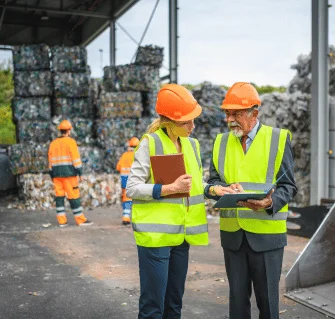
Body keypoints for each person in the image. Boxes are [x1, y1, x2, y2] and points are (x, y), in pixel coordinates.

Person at [126, 84, 236, 319]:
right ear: (170, 121)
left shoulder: (192, 145)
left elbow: (195, 185)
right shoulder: (150, 143)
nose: (193, 126)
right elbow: (132, 188)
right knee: (152, 306)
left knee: (174, 305)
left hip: (181, 236)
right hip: (155, 239)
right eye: (187, 121)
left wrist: (217, 189)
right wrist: (168, 189)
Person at [207, 82, 297, 319]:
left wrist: (269, 203)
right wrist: (220, 190)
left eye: (235, 113)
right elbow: (212, 181)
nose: (229, 119)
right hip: (233, 235)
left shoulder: (277, 139)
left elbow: (288, 186)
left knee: (268, 302)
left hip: (267, 237)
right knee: (237, 302)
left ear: (254, 112)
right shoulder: (220, 142)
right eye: (227, 113)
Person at [48, 119, 93, 227]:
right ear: (69, 130)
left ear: (60, 131)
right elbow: (76, 159)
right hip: (69, 175)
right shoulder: (71, 142)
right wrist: (80, 173)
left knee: (59, 197)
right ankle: (80, 220)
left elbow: (50, 160)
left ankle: (62, 221)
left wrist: (51, 174)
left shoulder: (53, 143)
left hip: (56, 175)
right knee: (74, 196)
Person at [116, 136, 140, 225]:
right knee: (137, 200)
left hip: (124, 180)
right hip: (135, 181)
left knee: (126, 199)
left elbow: (118, 167)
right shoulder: (138, 155)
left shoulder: (124, 155)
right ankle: (136, 218)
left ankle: (126, 217)